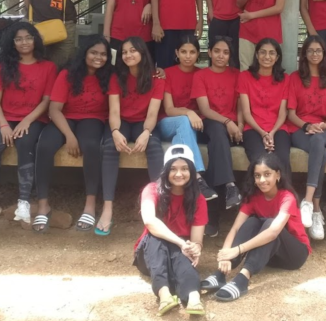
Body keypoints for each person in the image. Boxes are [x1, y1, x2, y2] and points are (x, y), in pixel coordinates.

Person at [200, 153, 310, 302]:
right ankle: (221, 274)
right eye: (257, 176)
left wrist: (237, 250)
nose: (262, 180)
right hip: (268, 256)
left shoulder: (287, 197)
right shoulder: (253, 197)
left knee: (270, 224)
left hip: (294, 255)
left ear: (277, 175)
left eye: (267, 174)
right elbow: (235, 228)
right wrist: (226, 254)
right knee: (252, 222)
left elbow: (272, 233)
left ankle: (243, 279)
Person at [0, 22, 57, 227]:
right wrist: (4, 125)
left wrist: (27, 120)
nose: (24, 42)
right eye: (19, 39)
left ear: (36, 40)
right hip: (3, 118)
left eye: (28, 37)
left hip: (33, 118)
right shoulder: (2, 67)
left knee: (25, 144)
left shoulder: (48, 67)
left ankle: (23, 201)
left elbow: (47, 100)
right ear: (12, 43)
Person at [34, 35, 112, 233]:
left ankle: (90, 205)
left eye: (103, 54)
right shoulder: (68, 74)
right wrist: (69, 136)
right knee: (44, 146)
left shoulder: (110, 75)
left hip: (93, 118)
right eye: (94, 52)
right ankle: (43, 205)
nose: (99, 57)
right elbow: (54, 110)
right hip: (65, 117)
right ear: (84, 53)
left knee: (91, 145)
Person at [101, 36, 166, 234]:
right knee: (111, 146)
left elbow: (153, 112)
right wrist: (114, 132)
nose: (128, 55)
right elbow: (113, 111)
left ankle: (159, 206)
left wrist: (147, 133)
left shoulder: (156, 77)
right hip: (120, 121)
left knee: (154, 146)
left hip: (143, 122)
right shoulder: (116, 76)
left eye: (133, 51)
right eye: (124, 52)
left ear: (142, 52)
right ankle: (107, 208)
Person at [135, 145, 208, 316]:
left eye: (184, 169)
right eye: (173, 169)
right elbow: (150, 221)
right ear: (166, 171)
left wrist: (195, 248)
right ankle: (164, 294)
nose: (179, 174)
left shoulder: (199, 199)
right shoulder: (151, 189)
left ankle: (193, 297)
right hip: (150, 253)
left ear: (191, 171)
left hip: (179, 251)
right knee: (156, 238)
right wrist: (182, 243)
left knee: (181, 253)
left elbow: (197, 239)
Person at [286, 36, 326, 241]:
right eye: (310, 50)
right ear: (304, 54)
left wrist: (322, 126)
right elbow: (290, 113)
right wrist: (307, 125)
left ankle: (307, 202)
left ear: (324, 54)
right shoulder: (294, 78)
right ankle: (316, 210)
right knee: (321, 152)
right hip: (298, 128)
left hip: (321, 129)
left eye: (319, 50)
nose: (315, 54)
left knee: (319, 144)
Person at [193, 36, 244, 237]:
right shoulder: (201, 76)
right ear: (210, 52)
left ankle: (212, 217)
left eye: (225, 52)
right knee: (217, 133)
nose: (221, 56)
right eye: (217, 51)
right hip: (211, 124)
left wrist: (239, 125)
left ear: (230, 55)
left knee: (217, 153)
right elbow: (204, 109)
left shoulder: (236, 74)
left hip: (232, 127)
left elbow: (241, 104)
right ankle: (230, 185)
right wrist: (228, 122)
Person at [157, 34, 217, 200]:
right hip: (167, 123)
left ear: (198, 54)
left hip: (192, 126)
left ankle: (181, 184)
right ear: (177, 52)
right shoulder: (167, 73)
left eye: (192, 52)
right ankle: (197, 175)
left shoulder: (203, 74)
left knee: (182, 133)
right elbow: (169, 109)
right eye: (183, 51)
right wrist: (189, 112)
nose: (188, 56)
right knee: (184, 121)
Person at [238, 38, 292, 175]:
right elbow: (246, 113)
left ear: (277, 57)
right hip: (253, 128)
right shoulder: (245, 77)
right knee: (259, 160)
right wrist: (263, 133)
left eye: (271, 53)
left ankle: (284, 195)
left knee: (282, 159)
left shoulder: (285, 79)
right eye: (262, 52)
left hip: (278, 128)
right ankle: (256, 195)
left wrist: (272, 133)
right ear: (256, 55)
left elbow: (282, 113)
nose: (267, 57)